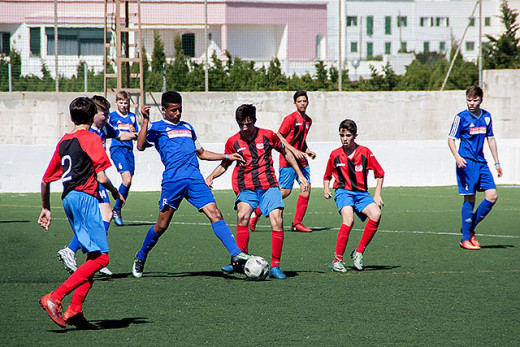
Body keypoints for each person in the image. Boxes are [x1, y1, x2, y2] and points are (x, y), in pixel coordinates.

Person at [131, 91, 250, 278]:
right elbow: (139, 145)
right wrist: (145, 120)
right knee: (161, 225)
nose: (177, 113)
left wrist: (226, 156)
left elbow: (201, 153)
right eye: (173, 110)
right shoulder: (157, 127)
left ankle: (236, 253)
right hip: (173, 181)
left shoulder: (188, 127)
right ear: (163, 110)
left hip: (195, 178)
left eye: (179, 109)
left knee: (215, 213)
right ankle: (141, 255)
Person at [38, 97, 124, 329]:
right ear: (92, 116)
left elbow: (46, 180)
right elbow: (102, 177)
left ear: (71, 117)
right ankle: (55, 297)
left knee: (93, 257)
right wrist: (116, 193)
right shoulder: (91, 138)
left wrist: (46, 207)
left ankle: (75, 309)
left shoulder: (64, 141)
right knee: (103, 258)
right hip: (85, 198)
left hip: (67, 199)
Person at [206, 104, 309, 280]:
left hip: (269, 185)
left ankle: (275, 265)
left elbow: (287, 153)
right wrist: (211, 177)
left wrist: (300, 175)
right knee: (242, 216)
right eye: (241, 125)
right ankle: (239, 263)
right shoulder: (233, 141)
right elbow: (226, 163)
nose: (245, 128)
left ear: (254, 120)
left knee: (277, 218)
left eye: (248, 124)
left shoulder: (268, 136)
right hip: (246, 186)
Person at [57, 96, 136, 276]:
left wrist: (135, 135)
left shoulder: (103, 128)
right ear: (93, 114)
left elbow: (119, 135)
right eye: (104, 114)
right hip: (90, 180)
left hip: (94, 180)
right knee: (102, 216)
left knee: (104, 216)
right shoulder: (89, 133)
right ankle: (73, 251)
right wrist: (114, 191)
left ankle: (93, 257)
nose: (107, 118)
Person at [249, 91, 316, 232]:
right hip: (288, 160)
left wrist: (307, 150)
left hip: (302, 160)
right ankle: (256, 213)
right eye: (299, 101)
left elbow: (301, 140)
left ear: (308, 102)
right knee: (285, 191)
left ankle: (297, 223)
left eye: (304, 101)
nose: (302, 103)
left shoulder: (308, 120)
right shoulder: (290, 119)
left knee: (306, 187)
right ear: (295, 103)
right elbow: (279, 136)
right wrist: (294, 151)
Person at [323, 119, 384, 273]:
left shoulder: (365, 152)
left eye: (348, 135)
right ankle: (337, 260)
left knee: (376, 214)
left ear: (355, 136)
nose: (344, 138)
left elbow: (380, 174)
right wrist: (326, 189)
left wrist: (377, 194)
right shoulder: (335, 155)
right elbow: (326, 176)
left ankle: (358, 252)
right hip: (343, 192)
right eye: (342, 135)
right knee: (348, 219)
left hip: (362, 193)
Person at [448, 86, 502, 250]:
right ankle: (465, 239)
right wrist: (457, 157)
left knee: (492, 196)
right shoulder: (461, 117)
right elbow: (451, 139)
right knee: (469, 199)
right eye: (469, 100)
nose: (471, 103)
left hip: (482, 162)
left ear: (481, 100)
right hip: (466, 163)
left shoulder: (486, 117)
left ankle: (469, 228)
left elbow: (490, 139)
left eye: (475, 100)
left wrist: (497, 162)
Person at [108, 90, 139, 226]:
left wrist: (135, 133)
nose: (123, 105)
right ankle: (116, 209)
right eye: (120, 102)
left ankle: (117, 208)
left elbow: (137, 134)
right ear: (116, 103)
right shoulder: (112, 117)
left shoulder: (132, 117)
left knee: (129, 181)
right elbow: (108, 132)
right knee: (126, 179)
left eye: (125, 102)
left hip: (129, 151)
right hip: (117, 149)